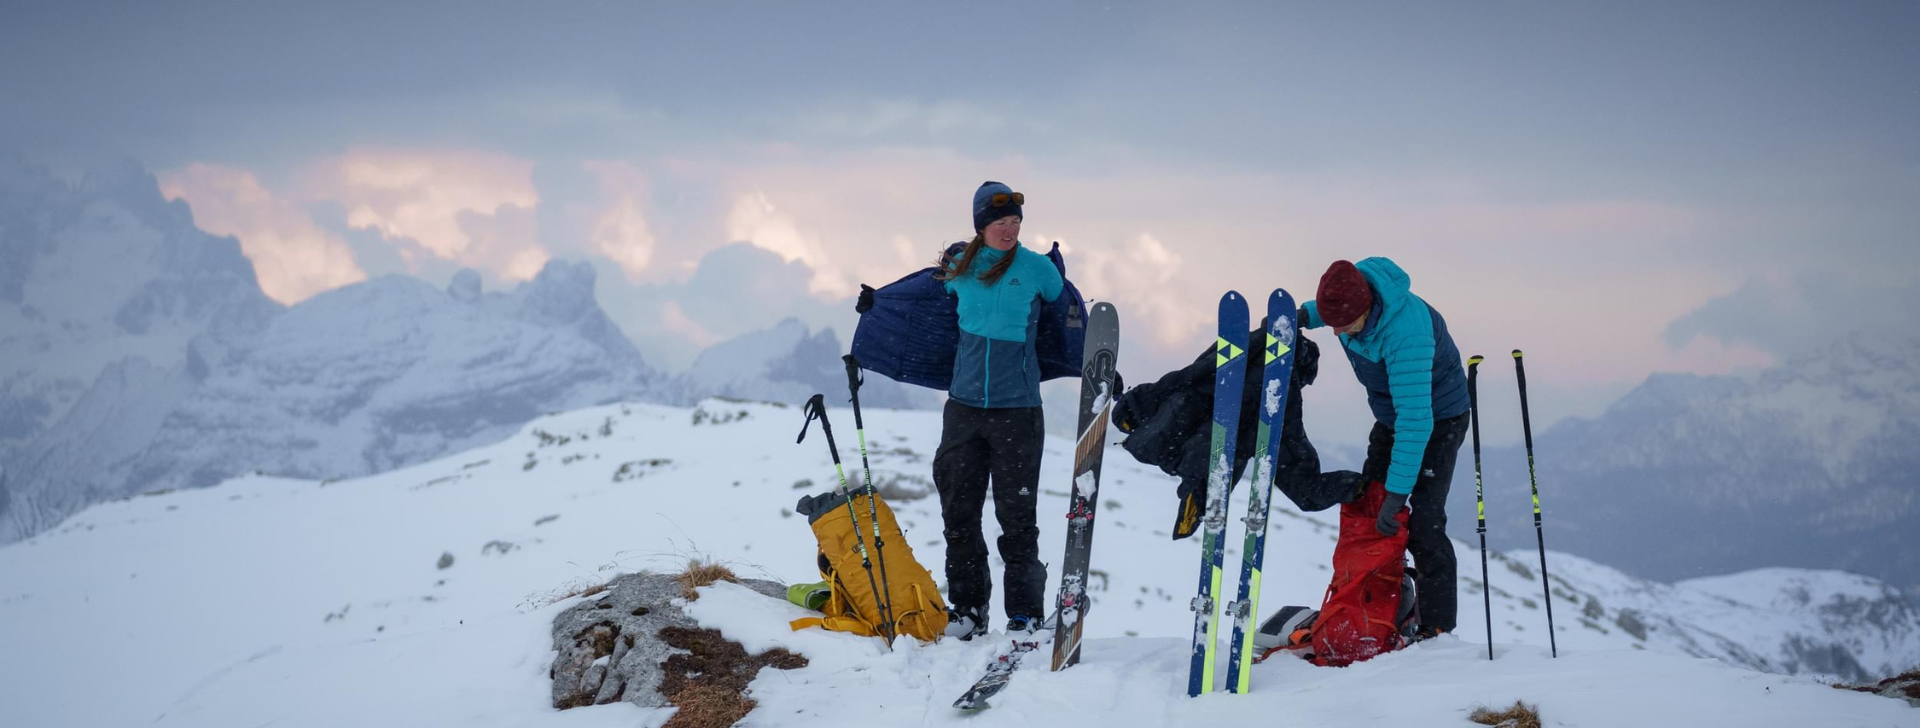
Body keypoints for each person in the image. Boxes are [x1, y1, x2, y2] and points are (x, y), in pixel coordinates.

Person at [850, 181, 1079, 641]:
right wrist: (879, 306)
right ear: (981, 226)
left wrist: (1093, 365)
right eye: (1000, 223)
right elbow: (918, 296)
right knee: (958, 514)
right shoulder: (959, 267)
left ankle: (1025, 614)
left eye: (1015, 222)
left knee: (1017, 518)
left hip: (1018, 411)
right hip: (964, 411)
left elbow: (1068, 318)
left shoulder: (1038, 270)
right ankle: (969, 608)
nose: (1009, 230)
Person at [1298, 257, 1470, 640]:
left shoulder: (1407, 334)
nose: (1338, 331)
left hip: (1438, 419)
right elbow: (1331, 309)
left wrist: (1396, 494)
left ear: (1366, 308)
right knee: (1369, 511)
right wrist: (1302, 316)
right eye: (1332, 322)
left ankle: (1436, 628)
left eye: (1344, 323)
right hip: (1394, 417)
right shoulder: (1350, 300)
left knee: (1423, 523)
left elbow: (1416, 421)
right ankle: (1378, 609)